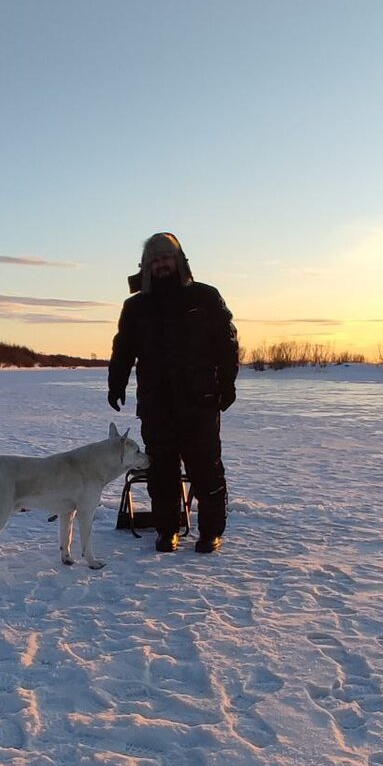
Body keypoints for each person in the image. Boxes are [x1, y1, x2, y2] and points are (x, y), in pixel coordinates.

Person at [107, 232, 239, 554]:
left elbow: (227, 343)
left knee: (205, 468)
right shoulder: (136, 306)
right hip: (156, 403)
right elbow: (123, 349)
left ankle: (210, 532)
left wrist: (228, 383)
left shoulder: (205, 297)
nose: (161, 264)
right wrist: (116, 383)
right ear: (146, 266)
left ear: (179, 261)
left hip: (200, 401)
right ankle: (167, 531)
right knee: (161, 470)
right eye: (154, 259)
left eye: (166, 258)